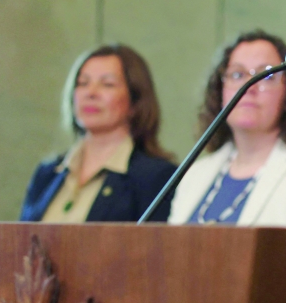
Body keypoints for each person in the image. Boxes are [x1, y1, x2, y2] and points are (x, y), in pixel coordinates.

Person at [169, 30, 286, 237]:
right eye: (237, 74)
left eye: (267, 75)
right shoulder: (194, 174)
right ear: (220, 91)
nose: (249, 87)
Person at [20, 44, 177, 224]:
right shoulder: (47, 173)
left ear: (135, 100)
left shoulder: (156, 177)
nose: (91, 93)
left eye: (107, 84)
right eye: (82, 83)